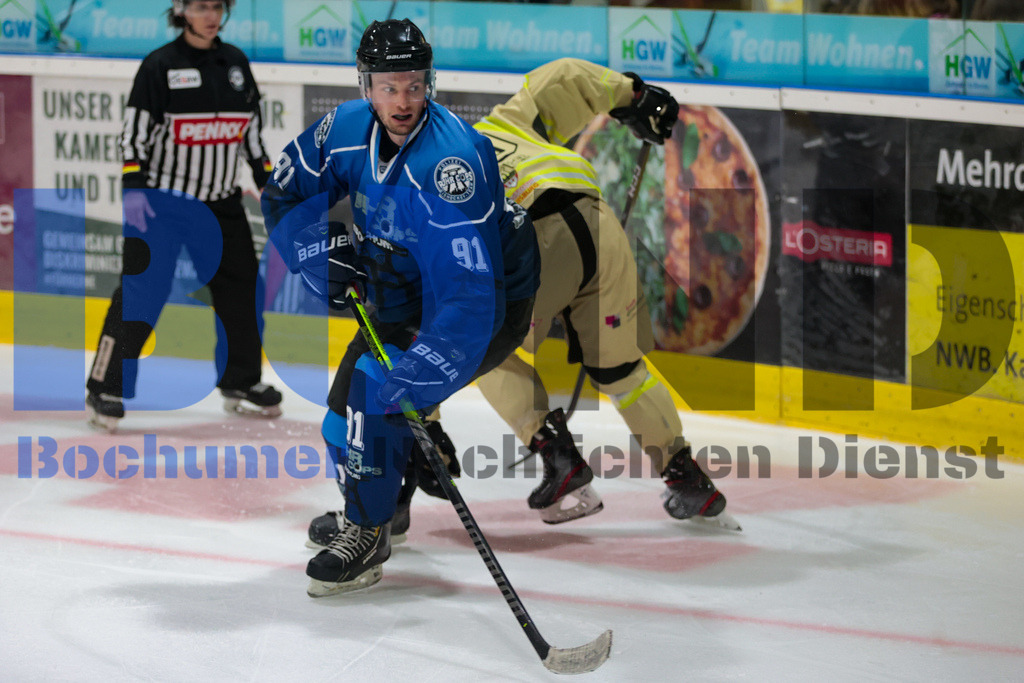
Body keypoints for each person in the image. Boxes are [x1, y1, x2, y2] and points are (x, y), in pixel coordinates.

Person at [262, 18, 538, 597]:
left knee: (378, 396)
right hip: (397, 288)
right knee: (340, 425)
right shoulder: (342, 128)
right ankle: (380, 506)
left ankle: (367, 533)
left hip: (482, 302)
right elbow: (284, 192)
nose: (403, 101)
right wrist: (318, 254)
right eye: (388, 87)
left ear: (429, 82)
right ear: (366, 86)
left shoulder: (452, 164)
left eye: (414, 85)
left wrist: (418, 372)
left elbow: (468, 293)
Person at [469, 58, 737, 529]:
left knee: (479, 347)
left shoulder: (428, 171)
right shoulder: (500, 122)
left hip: (533, 239)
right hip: (595, 219)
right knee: (623, 368)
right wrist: (634, 96)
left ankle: (555, 454)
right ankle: (686, 476)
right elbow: (562, 78)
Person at [86, 0, 282, 432]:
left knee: (243, 290)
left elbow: (249, 131)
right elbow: (133, 132)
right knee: (141, 294)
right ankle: (105, 385)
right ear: (181, 10)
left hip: (221, 203)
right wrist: (133, 188)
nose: (210, 15)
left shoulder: (235, 63)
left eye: (217, 6)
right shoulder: (160, 65)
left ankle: (241, 381)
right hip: (162, 205)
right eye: (199, 6)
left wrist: (264, 177)